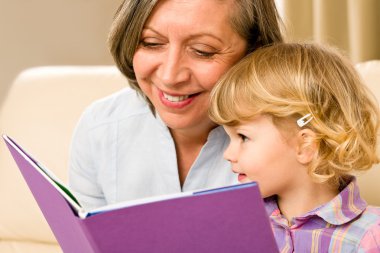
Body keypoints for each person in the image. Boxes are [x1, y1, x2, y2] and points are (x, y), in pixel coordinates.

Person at [68, 0, 283, 210]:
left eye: (202, 50)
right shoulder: (99, 128)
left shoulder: (293, 138)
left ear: (255, 52)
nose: (170, 77)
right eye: (151, 43)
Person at [208, 42, 380, 252]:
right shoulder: (235, 223)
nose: (228, 154)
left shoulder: (370, 237)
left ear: (305, 145)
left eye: (243, 137)